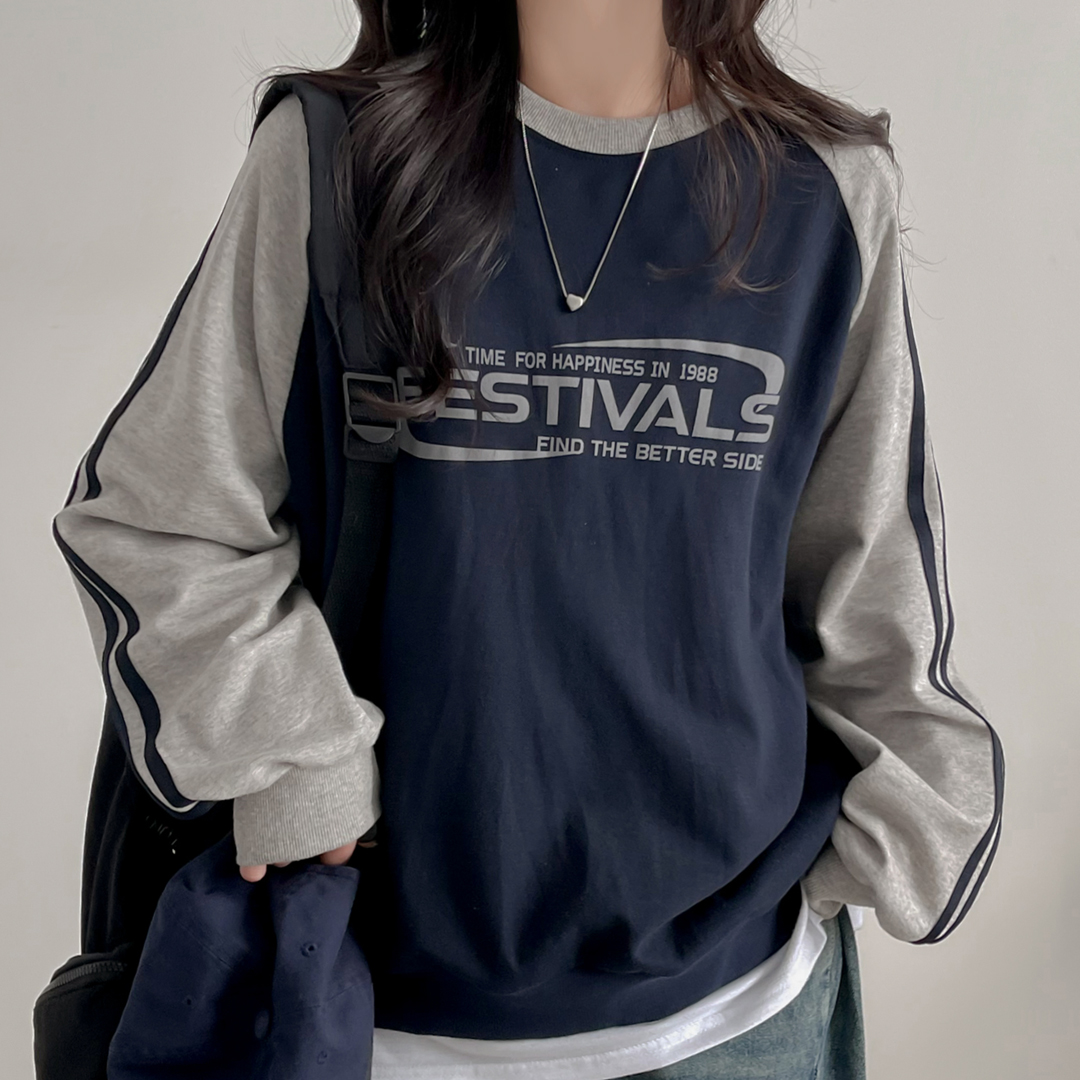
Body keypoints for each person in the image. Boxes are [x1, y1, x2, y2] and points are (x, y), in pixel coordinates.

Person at [52, 1, 1003, 1077]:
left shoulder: (824, 188)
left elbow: (868, 568)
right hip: (386, 1015)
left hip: (742, 1010)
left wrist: (913, 824)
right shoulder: (338, 160)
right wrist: (297, 759)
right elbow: (161, 512)